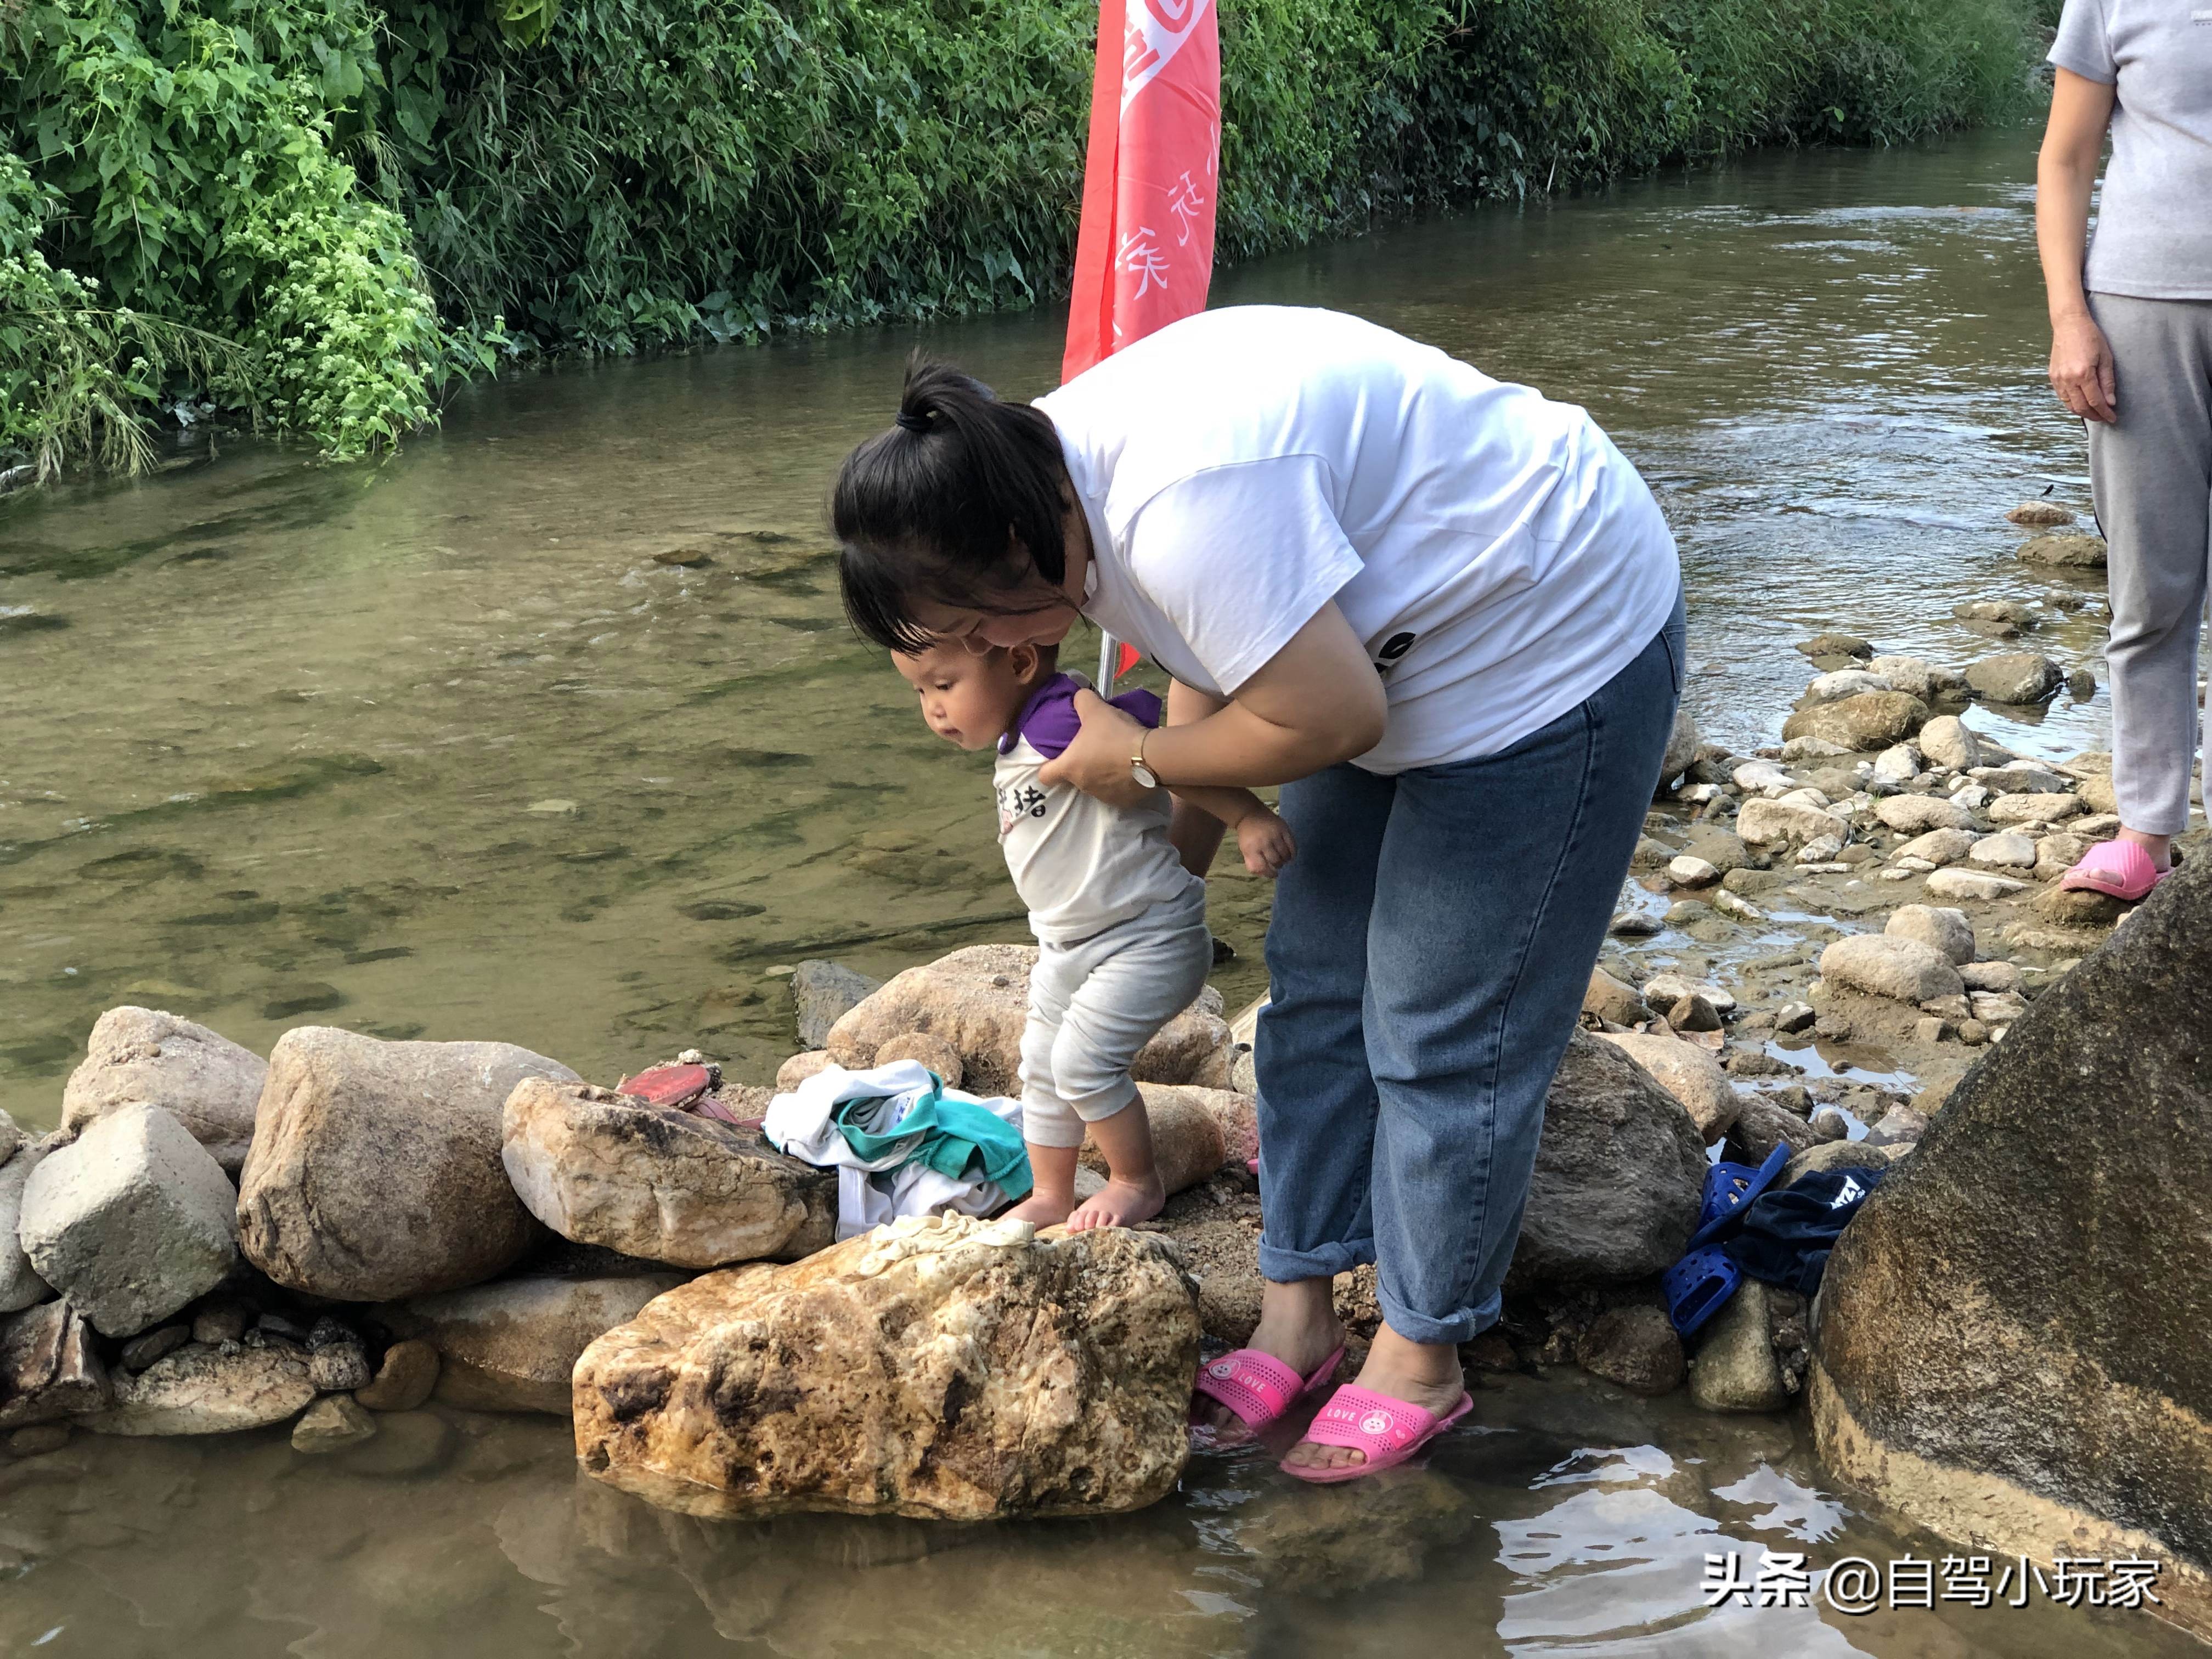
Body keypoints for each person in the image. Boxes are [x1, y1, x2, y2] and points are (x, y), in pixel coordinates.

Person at [836, 306, 1683, 1482]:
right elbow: (1201, 662)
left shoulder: (1183, 509)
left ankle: (1423, 1351)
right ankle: (1299, 1309)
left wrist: (1132, 765)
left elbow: (1329, 719)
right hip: (1371, 648)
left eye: (967, 643)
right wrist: (1159, 881)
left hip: (1544, 636)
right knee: (1319, 989)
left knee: (1441, 1026)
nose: (985, 665)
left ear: (1019, 604)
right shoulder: (1041, 483)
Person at [890, 636, 1294, 1229]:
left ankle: (1137, 1181)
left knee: (1082, 1064)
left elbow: (1160, 761)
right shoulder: (1025, 731)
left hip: (1147, 937)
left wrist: (1247, 815)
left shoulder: (1062, 715)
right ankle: (1051, 1194)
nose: (933, 708)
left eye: (944, 686)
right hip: (1069, 943)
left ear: (1020, 663)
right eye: (921, 691)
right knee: (1042, 1064)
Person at [2038, 1, 2212, 900]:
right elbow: (2065, 161)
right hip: (2141, 309)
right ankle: (2146, 830)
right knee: (2151, 586)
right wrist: (2070, 317)